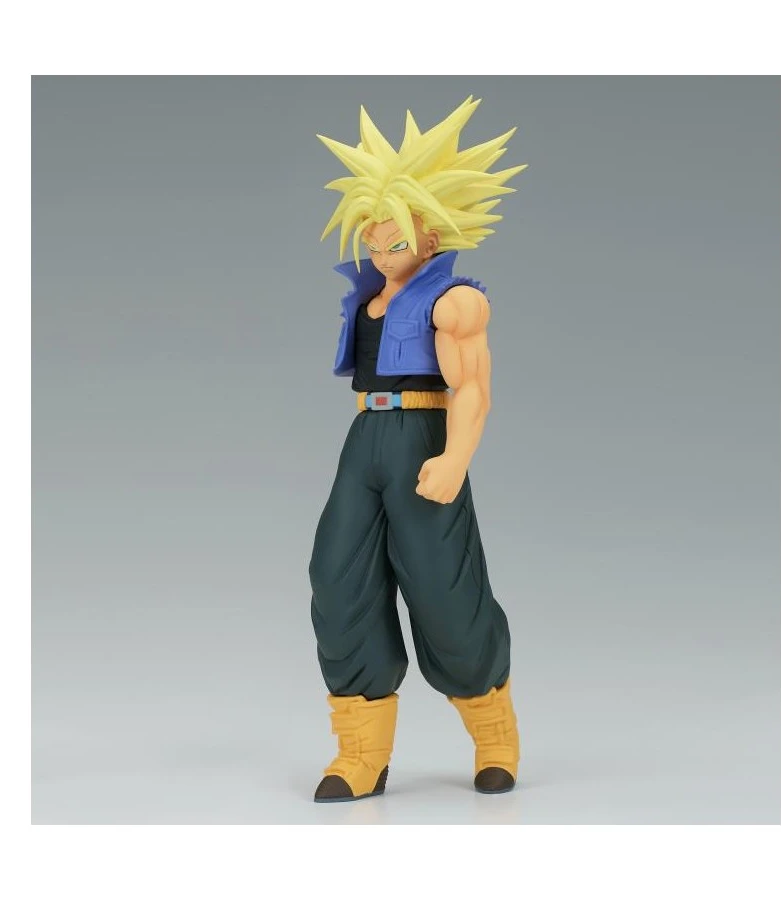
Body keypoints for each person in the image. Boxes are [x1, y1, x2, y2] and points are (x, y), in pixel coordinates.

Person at [309, 95, 526, 802]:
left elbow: (473, 388)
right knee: (338, 578)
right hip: (365, 439)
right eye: (372, 242)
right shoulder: (370, 296)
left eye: (394, 243)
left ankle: (494, 734)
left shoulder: (454, 301)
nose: (380, 255)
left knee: (443, 590)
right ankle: (360, 754)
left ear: (432, 237)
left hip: (422, 438)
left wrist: (456, 458)